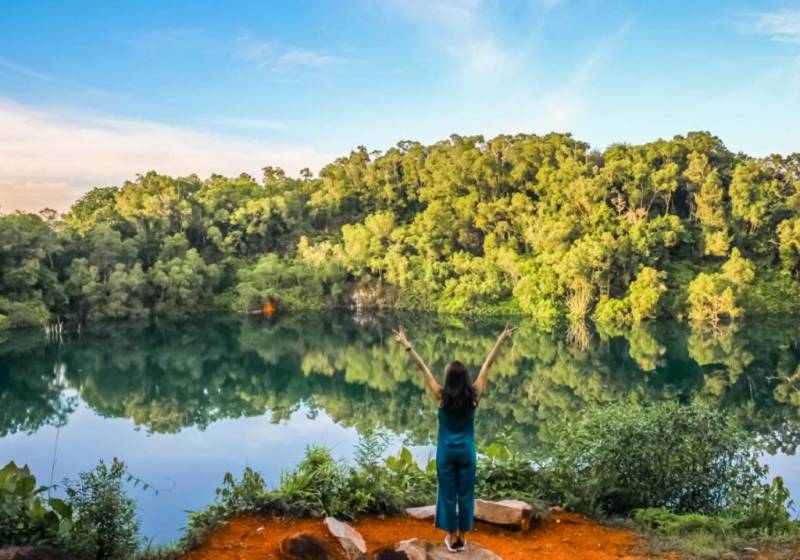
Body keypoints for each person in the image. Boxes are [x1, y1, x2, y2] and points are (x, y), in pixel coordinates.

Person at [393, 324, 514, 553]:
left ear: (448, 378)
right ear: (466, 378)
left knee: (448, 493)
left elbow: (423, 368)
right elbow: (488, 364)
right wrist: (501, 339)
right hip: (467, 452)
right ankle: (462, 537)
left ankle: (450, 537)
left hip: (447, 453)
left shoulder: (440, 394)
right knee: (466, 493)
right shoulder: (474, 393)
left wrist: (407, 345)